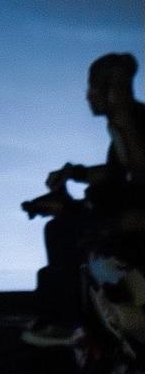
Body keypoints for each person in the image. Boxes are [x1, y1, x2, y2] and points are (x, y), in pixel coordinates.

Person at [21, 53, 145, 348]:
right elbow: (116, 173)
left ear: (111, 90)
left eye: (93, 87)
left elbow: (139, 175)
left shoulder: (132, 123)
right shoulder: (123, 126)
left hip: (135, 217)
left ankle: (67, 324)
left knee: (61, 232)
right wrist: (73, 174)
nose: (88, 95)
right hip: (125, 209)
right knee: (63, 222)